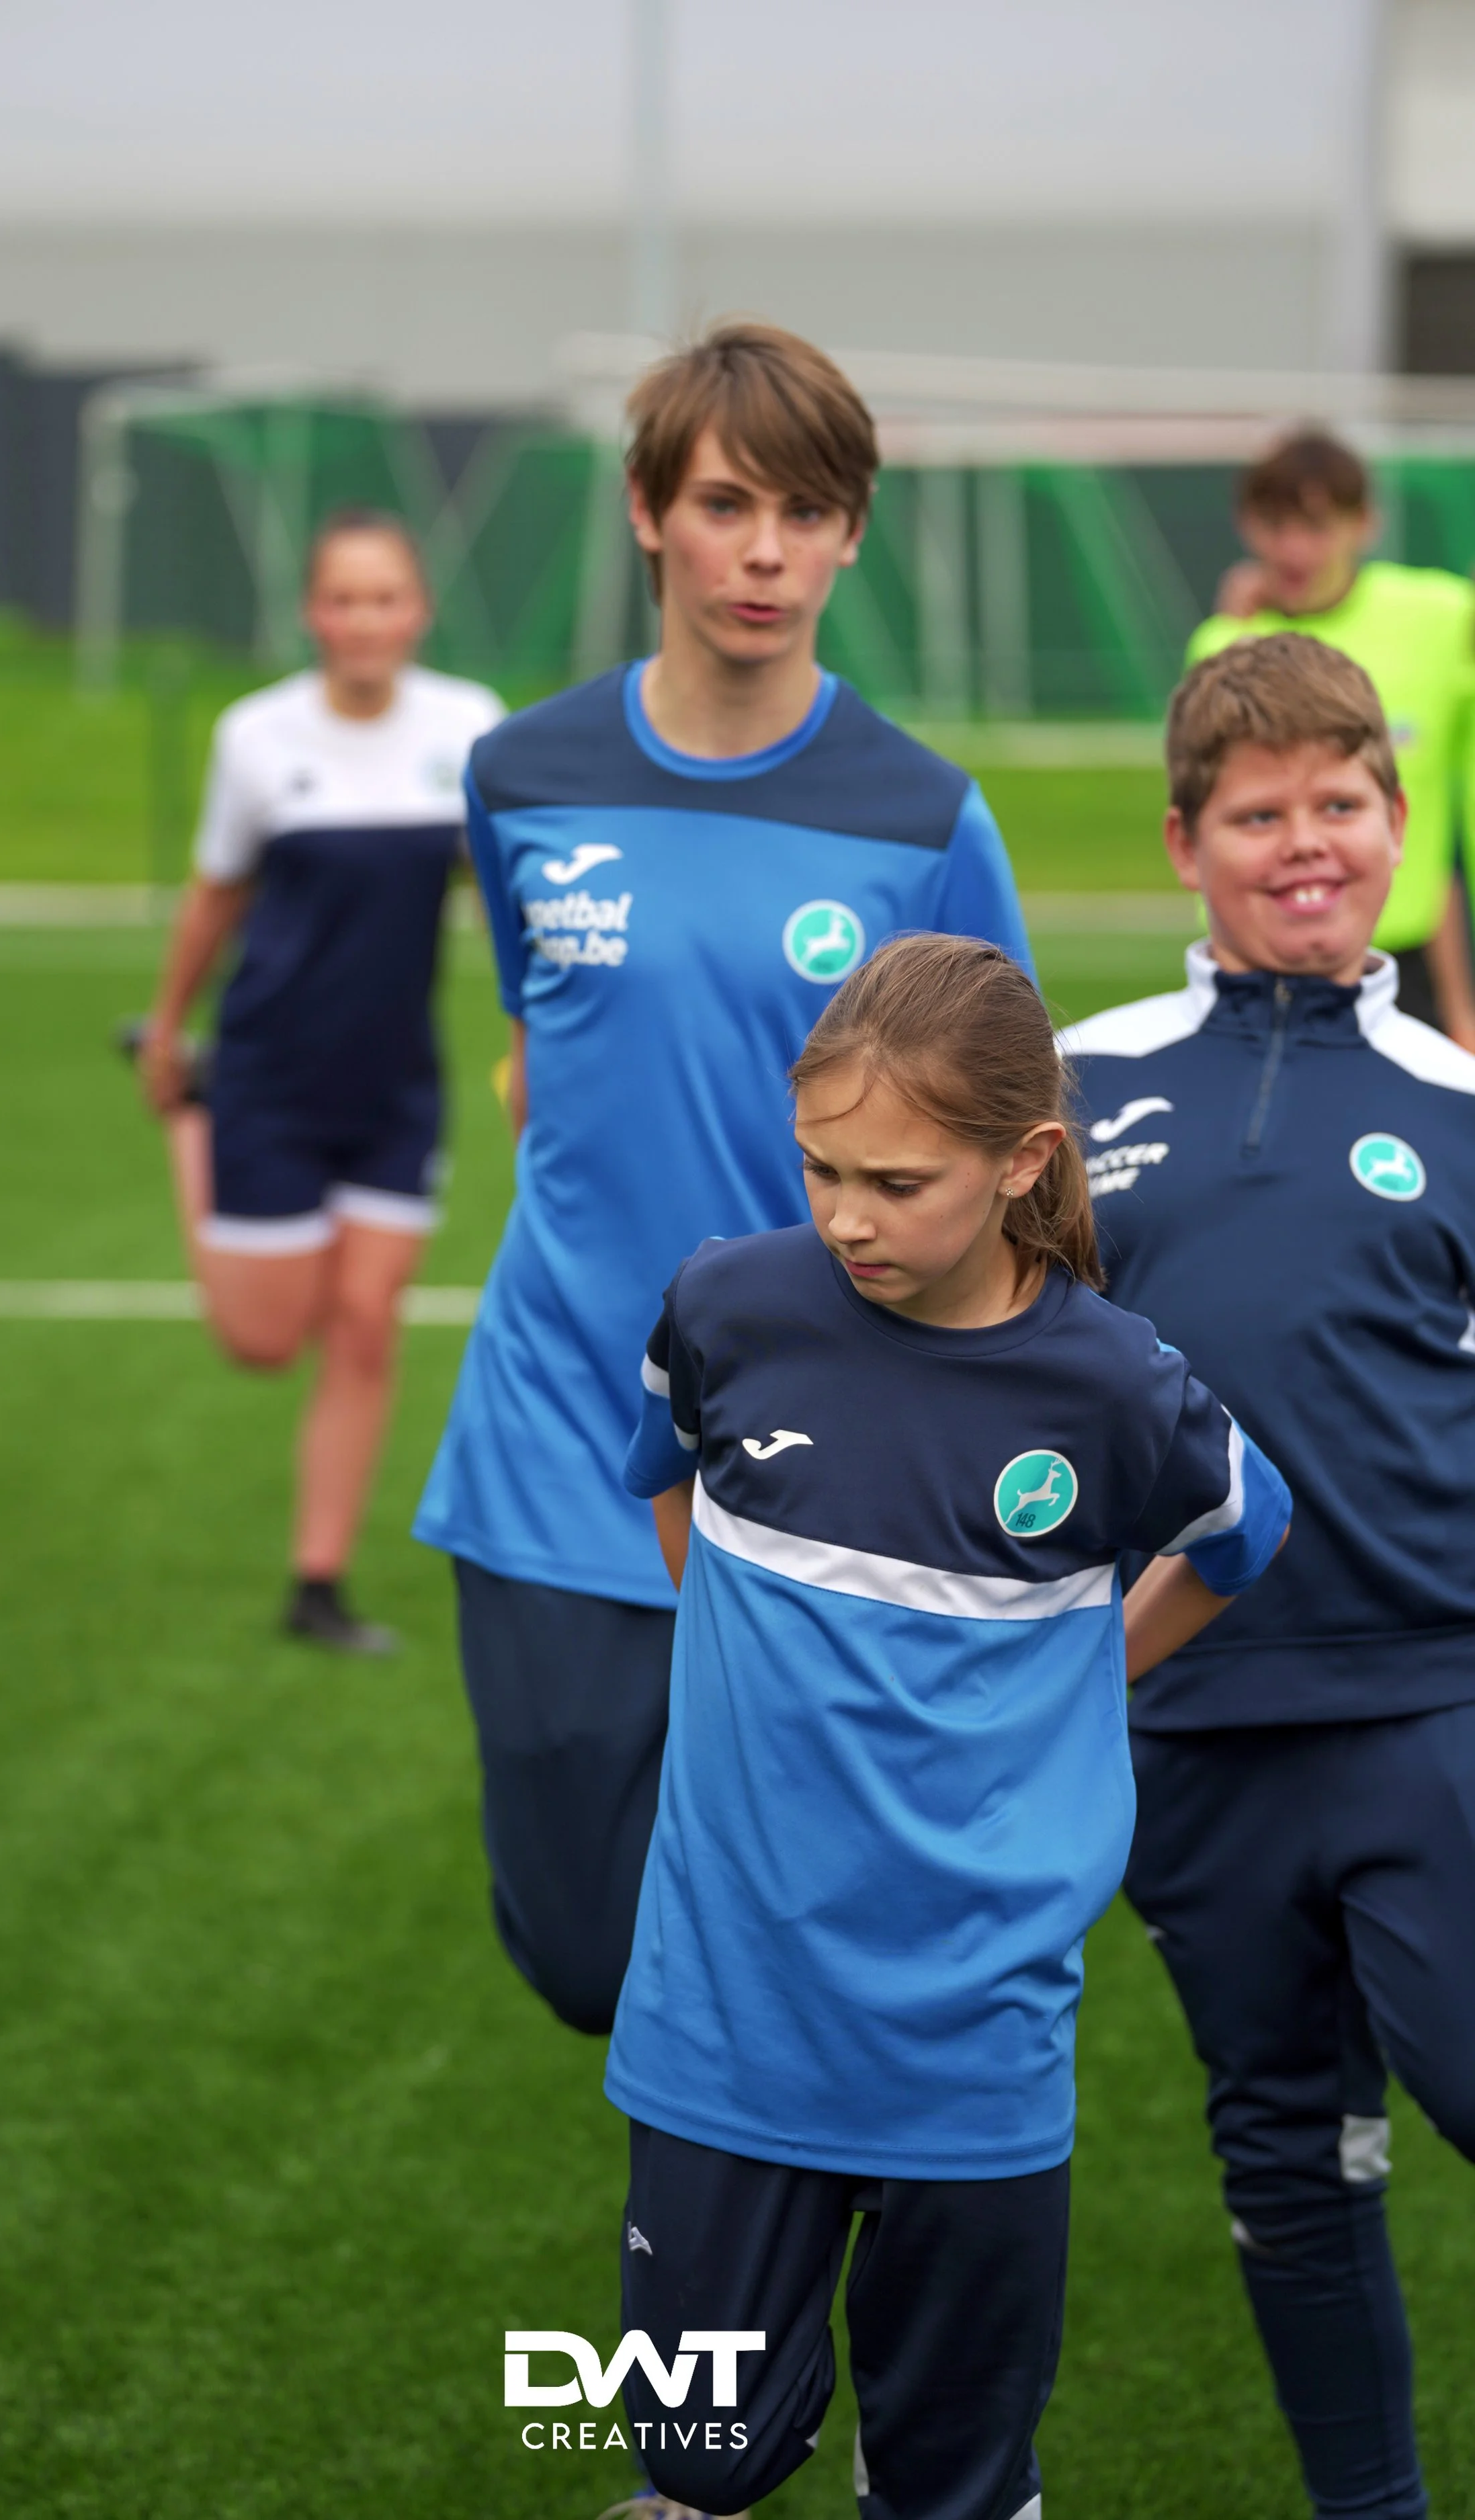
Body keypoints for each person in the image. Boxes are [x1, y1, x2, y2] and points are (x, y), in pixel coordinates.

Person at [609, 935, 1290, 2520]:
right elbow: (667, 1463)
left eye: (897, 1180)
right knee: (689, 2448)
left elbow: (1246, 1533)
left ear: (1021, 1161)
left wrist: (1095, 1672)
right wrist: (733, 1657)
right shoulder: (728, 1303)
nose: (847, 1215)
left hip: (969, 2031)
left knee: (949, 2478)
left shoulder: (1116, 1386)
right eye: (820, 1169)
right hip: (727, 1998)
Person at [412, 323, 1033, 2036]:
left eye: (807, 511)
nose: (765, 551)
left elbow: (1010, 1150)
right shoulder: (520, 778)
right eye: (727, 503)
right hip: (555, 1446)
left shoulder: (922, 820)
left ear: (852, 533)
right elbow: (547, 1047)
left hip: (824, 1462)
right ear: (646, 512)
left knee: (801, 1948)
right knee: (584, 1955)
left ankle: (742, 2288)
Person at [1060, 633, 1475, 2520]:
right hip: (1181, 1714)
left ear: (1395, 824)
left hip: (1420, 1699)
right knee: (1288, 2155)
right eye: (1257, 811)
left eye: (1339, 802)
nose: (1302, 841)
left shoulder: (1454, 1098)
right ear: (1182, 842)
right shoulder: (1070, 1086)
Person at [129, 509, 502, 1651]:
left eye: (386, 597)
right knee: (263, 1342)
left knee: (366, 1327)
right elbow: (217, 895)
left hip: (395, 1086)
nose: (365, 620)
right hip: (266, 1078)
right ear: (313, 614)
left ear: (419, 611)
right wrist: (166, 1028)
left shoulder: (469, 728)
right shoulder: (255, 737)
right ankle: (190, 1124)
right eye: (343, 598)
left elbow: (508, 894)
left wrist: (552, 1019)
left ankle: (318, 1582)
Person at [1191, 427, 1475, 1045]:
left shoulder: (1437, 616)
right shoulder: (1223, 649)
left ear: (1364, 524)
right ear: (1247, 526)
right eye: (1275, 525)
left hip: (1409, 961)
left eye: (1316, 526)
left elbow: (1441, 847)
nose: (1294, 549)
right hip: (1263, 962)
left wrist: (1461, 1006)